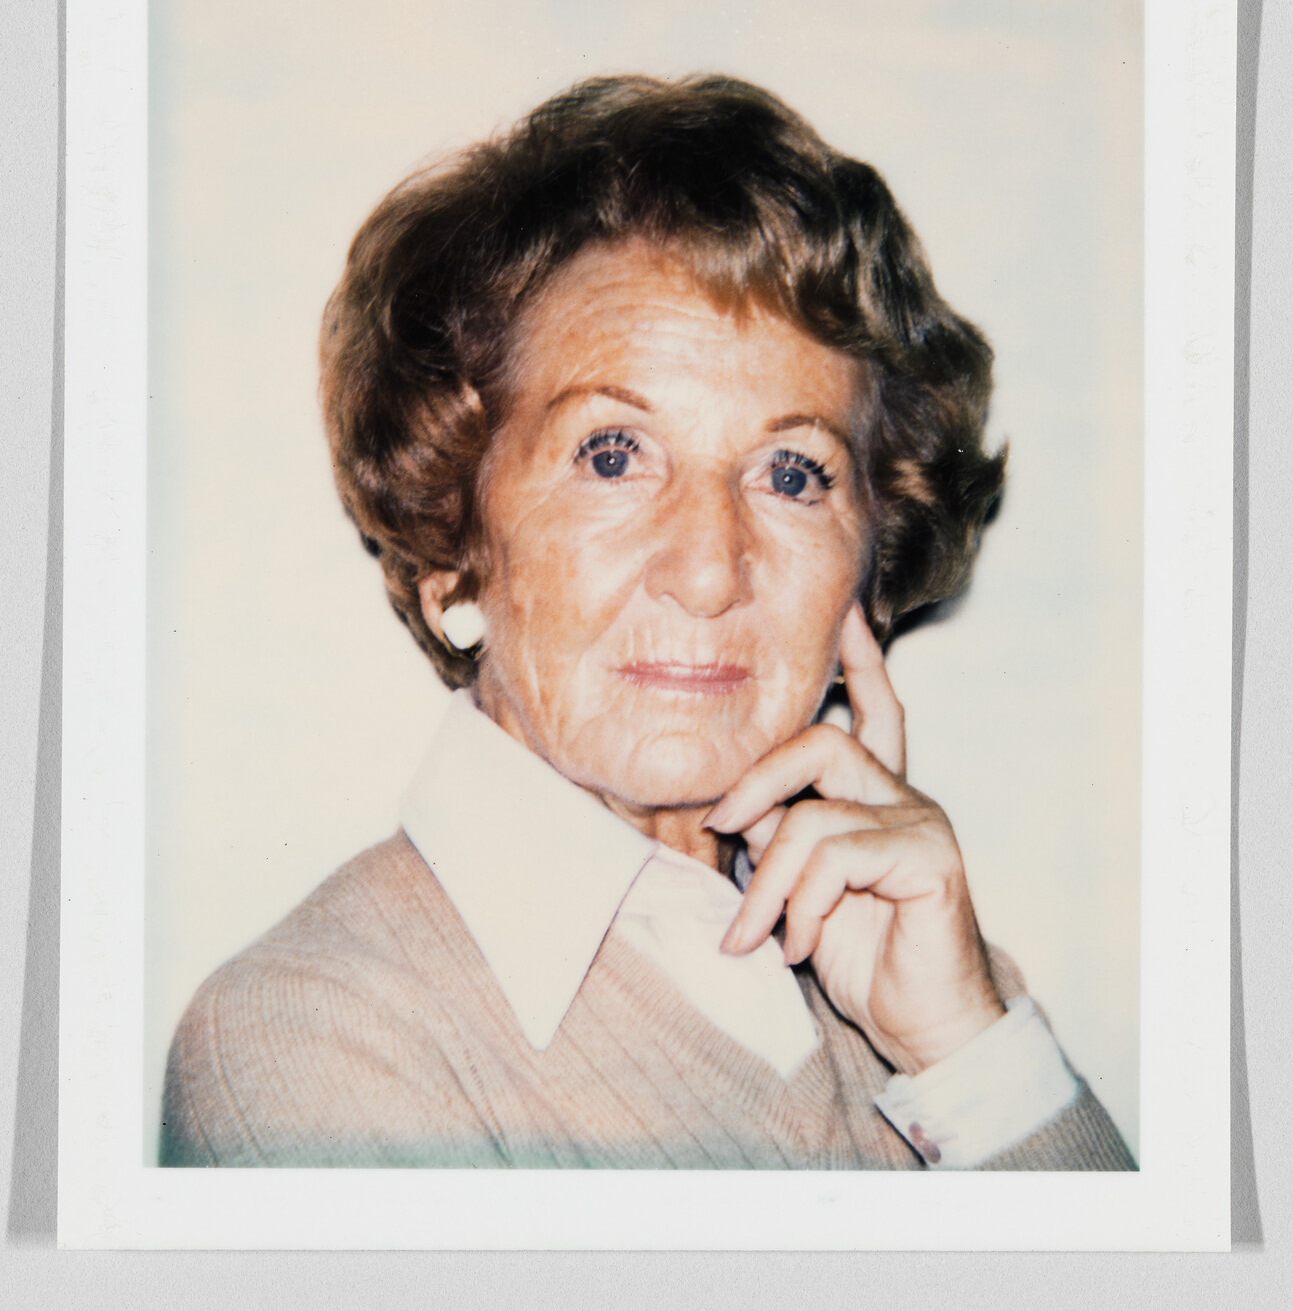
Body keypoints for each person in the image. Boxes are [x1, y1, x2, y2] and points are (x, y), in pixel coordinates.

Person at [160, 75, 1134, 1171]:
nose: (711, 570)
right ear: (455, 562)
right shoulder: (313, 1045)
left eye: (791, 472)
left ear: (865, 578)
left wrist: (964, 1052)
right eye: (613, 455)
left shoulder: (941, 981)